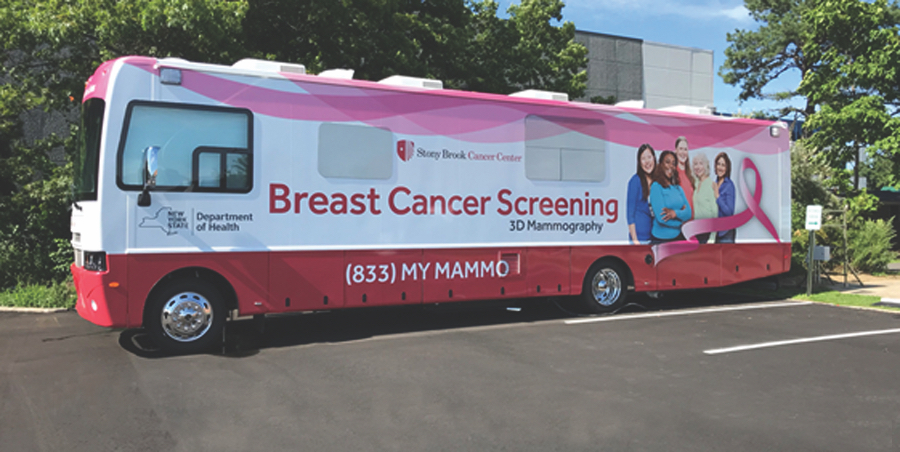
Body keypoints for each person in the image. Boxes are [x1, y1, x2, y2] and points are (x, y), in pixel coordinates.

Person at [649, 150, 692, 243]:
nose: (670, 166)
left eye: (673, 164)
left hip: (678, 237)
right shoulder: (656, 187)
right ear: (661, 164)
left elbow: (688, 213)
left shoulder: (678, 188)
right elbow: (662, 219)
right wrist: (680, 222)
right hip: (660, 240)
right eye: (667, 162)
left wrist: (675, 214)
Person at [626, 144, 656, 244]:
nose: (647, 161)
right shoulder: (635, 181)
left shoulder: (657, 182)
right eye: (643, 158)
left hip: (653, 238)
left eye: (649, 157)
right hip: (639, 240)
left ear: (654, 158)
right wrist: (635, 241)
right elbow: (630, 214)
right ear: (639, 162)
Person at [691, 152, 717, 244]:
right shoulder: (696, 183)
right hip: (696, 230)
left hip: (707, 232)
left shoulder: (711, 184)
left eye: (701, 163)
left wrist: (712, 237)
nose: (698, 167)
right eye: (695, 164)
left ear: (706, 166)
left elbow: (715, 211)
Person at [714, 152, 736, 243]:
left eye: (723, 165)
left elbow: (729, 212)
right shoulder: (714, 184)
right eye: (718, 164)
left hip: (726, 232)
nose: (720, 167)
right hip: (716, 231)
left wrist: (718, 198)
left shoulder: (729, 185)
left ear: (727, 168)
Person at [674, 136, 695, 219]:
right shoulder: (673, 173)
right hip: (679, 222)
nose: (683, 152)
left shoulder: (690, 174)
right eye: (681, 149)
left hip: (691, 224)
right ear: (676, 150)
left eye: (685, 149)